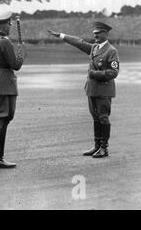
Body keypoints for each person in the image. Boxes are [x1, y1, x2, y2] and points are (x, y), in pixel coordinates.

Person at [48, 21, 119, 158]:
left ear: (105, 33)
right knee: (95, 117)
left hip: (103, 90)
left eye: (98, 33)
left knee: (103, 118)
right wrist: (62, 35)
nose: (95, 36)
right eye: (94, 34)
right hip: (92, 90)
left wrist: (95, 74)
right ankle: (97, 145)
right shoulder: (94, 48)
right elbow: (78, 42)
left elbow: (113, 72)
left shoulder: (111, 51)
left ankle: (104, 148)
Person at [0, 11, 26, 168]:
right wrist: (21, 52)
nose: (10, 27)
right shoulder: (5, 42)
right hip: (3, 85)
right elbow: (16, 65)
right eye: (9, 24)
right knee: (3, 119)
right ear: (3, 24)